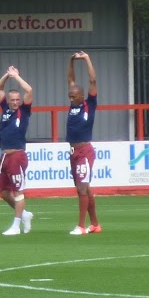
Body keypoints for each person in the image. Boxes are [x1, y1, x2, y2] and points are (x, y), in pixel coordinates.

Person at [0, 66, 35, 236]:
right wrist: (7, 75)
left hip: (17, 155)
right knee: (3, 191)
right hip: (4, 155)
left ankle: (16, 226)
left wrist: (17, 76)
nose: (16, 102)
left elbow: (29, 90)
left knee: (18, 191)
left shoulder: (24, 111)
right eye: (13, 99)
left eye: (18, 99)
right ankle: (24, 214)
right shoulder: (5, 109)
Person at [66, 51, 101, 235]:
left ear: (81, 96)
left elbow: (93, 80)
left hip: (84, 150)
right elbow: (71, 78)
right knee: (85, 187)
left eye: (73, 96)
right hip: (73, 151)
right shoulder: (73, 105)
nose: (71, 99)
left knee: (81, 188)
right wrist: (71, 60)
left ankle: (81, 226)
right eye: (69, 96)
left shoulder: (89, 104)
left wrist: (87, 58)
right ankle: (95, 224)